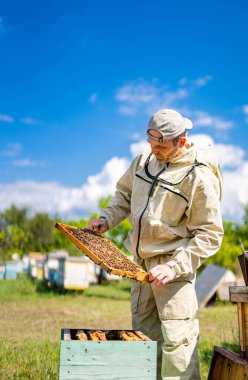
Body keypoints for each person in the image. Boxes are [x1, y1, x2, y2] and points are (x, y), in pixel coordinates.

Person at [88, 109, 223, 380]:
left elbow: (209, 234)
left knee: (177, 345)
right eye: (151, 144)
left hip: (173, 269)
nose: (155, 151)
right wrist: (106, 219)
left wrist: (174, 267)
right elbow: (124, 195)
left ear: (181, 142)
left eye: (161, 146)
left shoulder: (199, 177)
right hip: (139, 268)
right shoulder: (143, 161)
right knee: (145, 342)